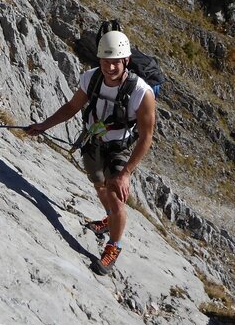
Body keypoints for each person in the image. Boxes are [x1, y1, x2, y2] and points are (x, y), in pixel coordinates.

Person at [26, 31, 156, 275]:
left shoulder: (141, 92)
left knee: (117, 198)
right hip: (93, 141)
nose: (110, 67)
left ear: (126, 60)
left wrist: (126, 173)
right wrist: (43, 125)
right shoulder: (91, 79)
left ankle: (113, 246)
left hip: (118, 148)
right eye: (106, 61)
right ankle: (109, 220)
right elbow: (72, 107)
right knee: (99, 185)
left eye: (116, 61)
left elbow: (147, 136)